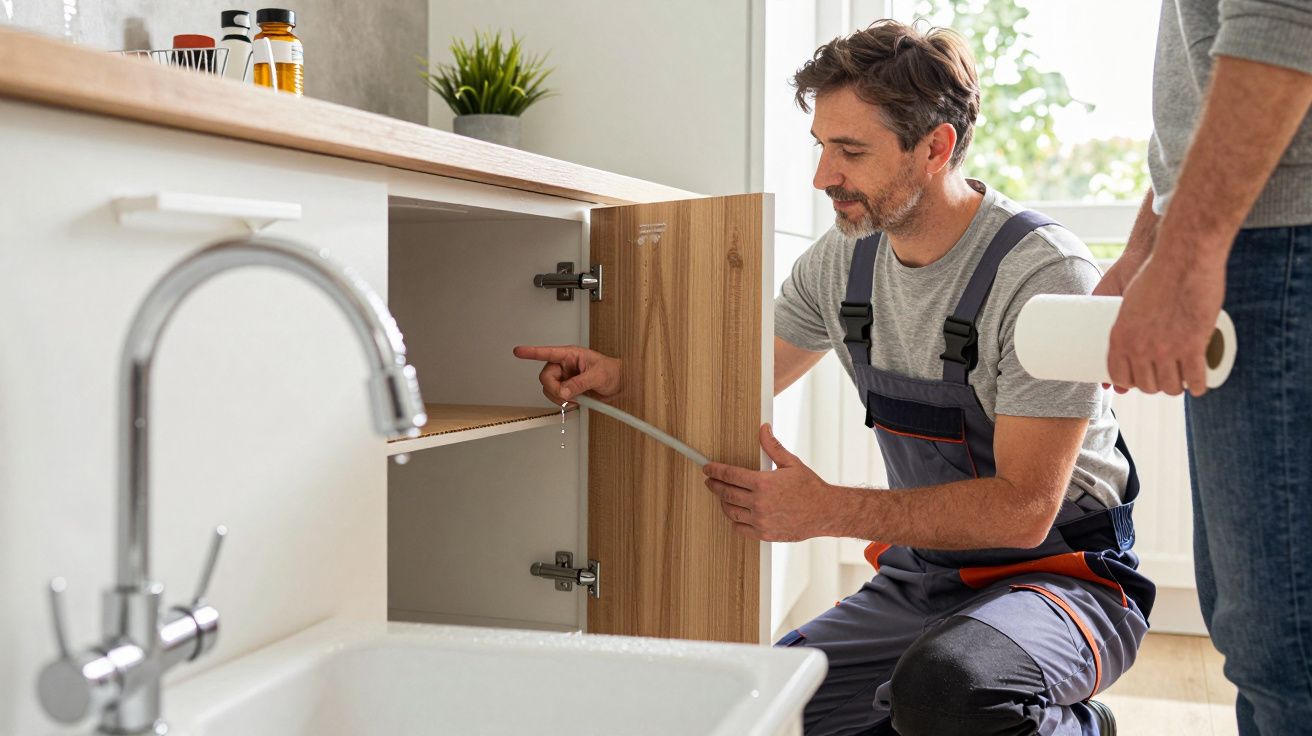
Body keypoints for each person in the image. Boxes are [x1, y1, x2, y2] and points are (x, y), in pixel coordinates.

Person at [516, 21, 1150, 736]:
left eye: (850, 151)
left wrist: (826, 510)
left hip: (1063, 579)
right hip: (927, 577)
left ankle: (1078, 725)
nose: (824, 176)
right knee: (768, 708)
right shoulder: (842, 264)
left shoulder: (1040, 273)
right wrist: (623, 377)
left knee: (949, 693)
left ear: (935, 148)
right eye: (822, 147)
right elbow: (736, 381)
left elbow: (1024, 511)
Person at [1095, 1, 1312, 733]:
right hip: (1263, 235)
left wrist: (1188, 255)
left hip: (1280, 237)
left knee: (1287, 644)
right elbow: (1203, 97)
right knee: (1259, 625)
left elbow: (1285, 18)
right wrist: (1149, 245)